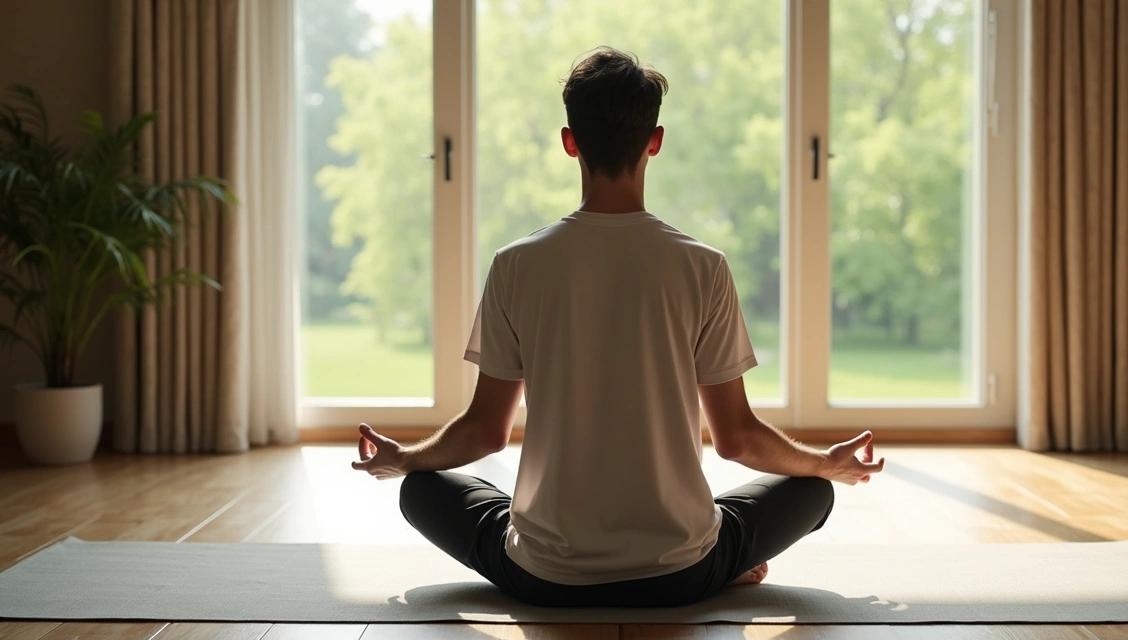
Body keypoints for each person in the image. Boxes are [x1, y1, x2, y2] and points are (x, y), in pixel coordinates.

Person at [351, 46, 885, 608]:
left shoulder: (515, 264)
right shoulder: (703, 265)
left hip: (544, 576)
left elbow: (485, 432)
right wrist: (826, 463)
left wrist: (405, 457)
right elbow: (737, 439)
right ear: (654, 141)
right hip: (682, 573)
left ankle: (546, 533)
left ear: (569, 141)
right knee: (813, 491)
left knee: (421, 489)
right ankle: (725, 555)